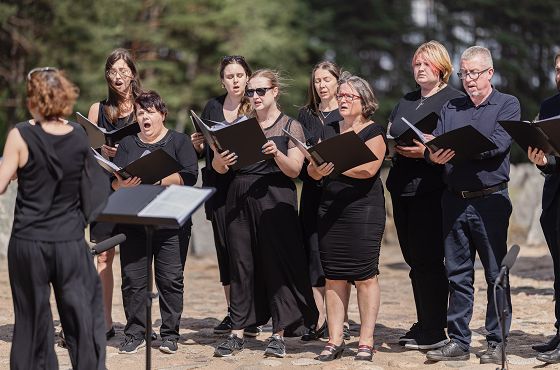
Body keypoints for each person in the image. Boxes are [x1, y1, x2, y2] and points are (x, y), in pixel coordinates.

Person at [0, 67, 107, 369]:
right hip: (70, 243)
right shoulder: (77, 135)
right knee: (80, 318)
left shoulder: (20, 135)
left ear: (33, 98)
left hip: (29, 242)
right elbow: (94, 187)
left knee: (31, 320)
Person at [212, 69, 318, 358]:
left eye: (260, 91)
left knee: (276, 264)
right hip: (240, 196)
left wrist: (277, 154)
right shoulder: (240, 125)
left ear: (274, 92)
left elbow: (296, 170)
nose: (255, 96)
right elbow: (218, 167)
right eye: (250, 91)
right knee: (241, 263)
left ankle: (278, 333)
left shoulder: (290, 127)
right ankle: (237, 331)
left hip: (276, 198)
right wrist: (221, 160)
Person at [424, 46, 520, 364]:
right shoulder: (452, 106)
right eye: (464, 73)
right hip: (454, 201)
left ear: (490, 73)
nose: (468, 79)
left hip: (491, 200)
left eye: (474, 73)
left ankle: (495, 342)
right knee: (458, 275)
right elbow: (436, 142)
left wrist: (461, 148)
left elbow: (497, 144)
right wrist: (432, 153)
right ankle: (460, 342)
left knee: (496, 274)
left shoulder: (507, 104)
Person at [386, 41, 464, 350]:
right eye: (416, 63)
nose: (419, 68)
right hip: (401, 184)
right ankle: (424, 321)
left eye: (426, 64)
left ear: (442, 68)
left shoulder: (454, 100)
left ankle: (434, 328)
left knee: (429, 259)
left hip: (431, 188)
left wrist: (426, 151)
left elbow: (457, 144)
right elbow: (393, 130)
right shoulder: (406, 100)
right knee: (414, 260)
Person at [112, 90, 198, 355]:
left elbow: (190, 176)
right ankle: (135, 333)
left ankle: (170, 334)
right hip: (135, 222)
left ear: (162, 114)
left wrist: (158, 178)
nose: (145, 117)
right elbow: (115, 183)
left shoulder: (180, 141)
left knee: (170, 279)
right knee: (132, 280)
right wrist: (122, 184)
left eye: (150, 112)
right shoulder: (127, 144)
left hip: (171, 223)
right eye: (140, 113)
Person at [309, 72, 387, 362]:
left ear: (364, 102)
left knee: (366, 276)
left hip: (363, 211)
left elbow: (369, 169)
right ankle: (334, 339)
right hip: (330, 209)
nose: (341, 99)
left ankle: (366, 341)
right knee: (334, 277)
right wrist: (318, 169)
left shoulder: (374, 132)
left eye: (347, 96)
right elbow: (312, 171)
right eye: (340, 95)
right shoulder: (328, 129)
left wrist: (336, 166)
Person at [190, 55, 260, 337]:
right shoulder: (212, 106)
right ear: (222, 80)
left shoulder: (255, 105)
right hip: (219, 186)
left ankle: (252, 314)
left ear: (247, 77)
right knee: (225, 251)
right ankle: (234, 313)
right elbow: (205, 146)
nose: (235, 81)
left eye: (240, 76)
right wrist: (198, 147)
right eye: (229, 76)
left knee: (248, 252)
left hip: (249, 186)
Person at [87, 48, 143, 340]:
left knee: (137, 258)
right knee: (103, 256)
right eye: (112, 72)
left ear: (133, 72)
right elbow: (88, 150)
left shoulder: (146, 104)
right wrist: (101, 151)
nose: (117, 77)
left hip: (136, 186)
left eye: (123, 70)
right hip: (105, 189)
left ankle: (139, 324)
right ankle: (105, 322)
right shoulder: (98, 109)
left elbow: (157, 138)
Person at [297, 61, 353, 342]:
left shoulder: (346, 111)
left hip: (338, 191)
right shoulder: (304, 115)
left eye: (326, 79)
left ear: (337, 80)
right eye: (317, 80)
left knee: (336, 254)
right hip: (311, 189)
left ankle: (339, 319)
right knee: (313, 253)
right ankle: (319, 317)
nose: (321, 85)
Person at [526, 51, 560, 365]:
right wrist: (542, 161)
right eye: (558, 70)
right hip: (555, 201)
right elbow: (550, 159)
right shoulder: (549, 106)